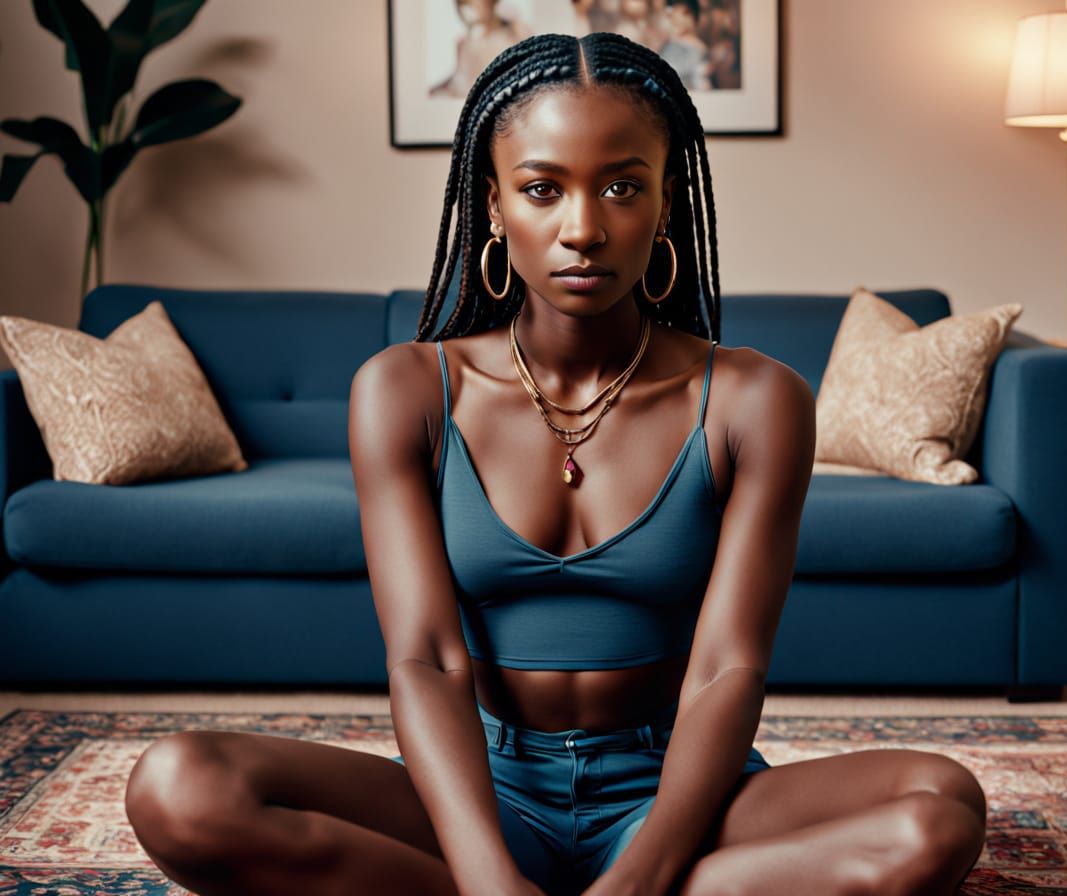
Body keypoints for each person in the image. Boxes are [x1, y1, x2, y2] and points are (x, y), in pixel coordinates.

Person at [123, 32, 987, 896]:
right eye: (542, 189)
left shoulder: (754, 400)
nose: (583, 230)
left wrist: (640, 879)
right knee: (179, 787)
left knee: (937, 811)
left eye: (621, 187)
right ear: (494, 205)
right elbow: (426, 659)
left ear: (667, 202)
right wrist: (487, 878)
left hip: (675, 791)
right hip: (483, 789)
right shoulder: (406, 391)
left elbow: (728, 667)